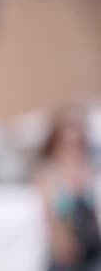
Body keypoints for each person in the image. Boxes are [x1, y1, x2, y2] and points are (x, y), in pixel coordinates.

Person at [35, 107, 101, 271]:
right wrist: (60, 239)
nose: (72, 149)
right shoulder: (49, 172)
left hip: (92, 247)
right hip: (64, 252)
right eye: (66, 143)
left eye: (77, 143)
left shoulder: (89, 169)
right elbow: (49, 212)